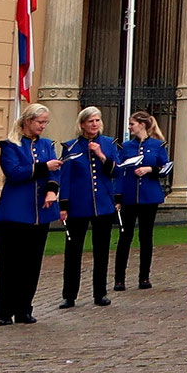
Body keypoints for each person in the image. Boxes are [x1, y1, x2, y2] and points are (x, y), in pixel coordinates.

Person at [0, 104, 61, 326]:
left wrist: (52, 190)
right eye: (40, 122)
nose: (43, 126)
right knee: (10, 265)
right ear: (28, 121)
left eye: (45, 122)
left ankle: (24, 309)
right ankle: (5, 310)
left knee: (32, 265)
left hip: (39, 214)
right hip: (13, 214)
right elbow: (14, 173)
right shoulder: (11, 145)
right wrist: (43, 167)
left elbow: (55, 172)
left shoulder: (46, 145)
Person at [57, 106, 119, 309]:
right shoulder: (71, 146)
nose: (94, 124)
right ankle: (69, 295)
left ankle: (100, 293)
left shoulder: (109, 144)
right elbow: (65, 178)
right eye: (90, 121)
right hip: (78, 205)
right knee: (73, 251)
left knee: (101, 251)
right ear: (82, 124)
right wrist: (63, 205)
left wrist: (101, 155)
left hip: (102, 205)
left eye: (97, 121)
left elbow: (116, 172)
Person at [114, 111, 168, 291]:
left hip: (149, 196)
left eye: (132, 124)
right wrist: (118, 196)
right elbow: (119, 172)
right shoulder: (126, 147)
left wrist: (149, 170)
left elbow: (164, 167)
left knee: (146, 237)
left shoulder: (158, 145)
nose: (130, 127)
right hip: (129, 196)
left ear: (142, 125)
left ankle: (144, 277)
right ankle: (119, 279)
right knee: (125, 237)